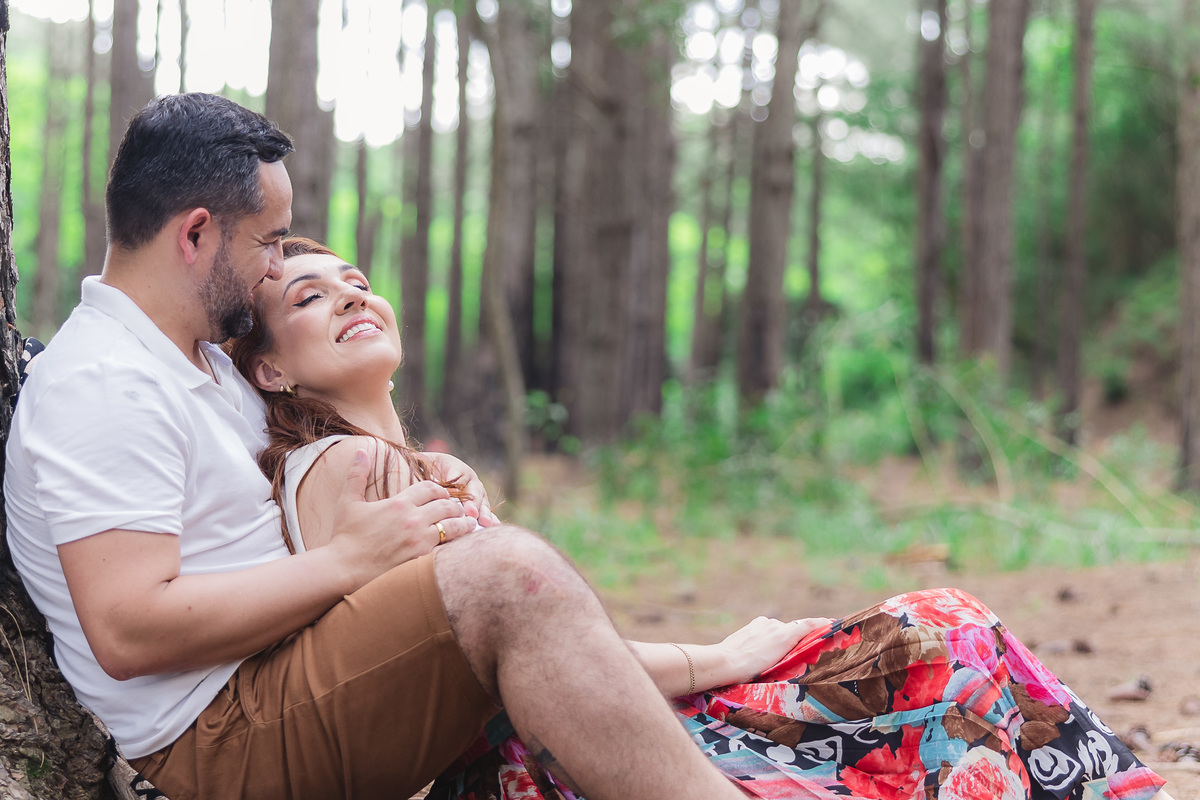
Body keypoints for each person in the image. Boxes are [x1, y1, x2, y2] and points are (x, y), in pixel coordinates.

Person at [4, 93, 762, 800]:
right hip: (223, 732)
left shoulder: (195, 358)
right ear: (195, 234)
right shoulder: (104, 383)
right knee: (506, 577)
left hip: (288, 670)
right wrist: (348, 561)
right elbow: (129, 631)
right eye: (268, 241)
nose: (276, 265)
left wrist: (422, 478)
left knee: (501, 574)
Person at [228, 237, 1171, 800]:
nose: (350, 294)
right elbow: (499, 666)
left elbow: (560, 647)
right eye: (309, 297)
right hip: (551, 762)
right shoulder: (342, 466)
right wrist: (721, 657)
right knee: (942, 634)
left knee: (941, 629)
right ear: (270, 370)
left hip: (583, 724)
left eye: (355, 279)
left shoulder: (429, 470)